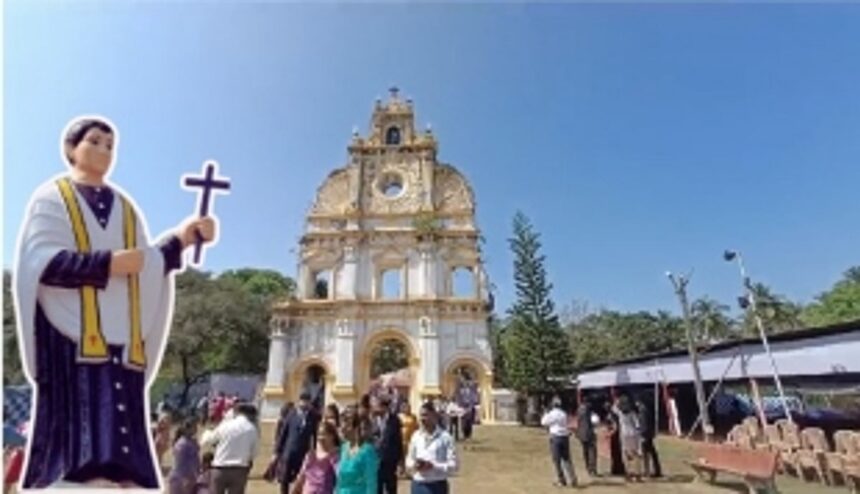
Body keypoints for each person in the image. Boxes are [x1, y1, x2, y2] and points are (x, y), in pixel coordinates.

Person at [13, 116, 216, 489]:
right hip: (68, 328)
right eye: (95, 141)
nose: (105, 151)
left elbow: (145, 264)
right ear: (72, 149)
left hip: (121, 332)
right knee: (79, 421)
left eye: (110, 145)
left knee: (120, 418)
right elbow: (40, 262)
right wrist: (108, 263)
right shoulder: (52, 197)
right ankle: (73, 470)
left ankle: (123, 473)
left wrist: (182, 240)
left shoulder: (125, 207)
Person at [201, 403, 260, 494]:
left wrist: (207, 432)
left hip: (220, 468)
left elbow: (210, 440)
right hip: (239, 470)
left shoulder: (226, 425)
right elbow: (254, 453)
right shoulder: (252, 429)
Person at [405, 401, 458, 494]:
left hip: (437, 485)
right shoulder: (416, 436)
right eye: (421, 415)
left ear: (434, 416)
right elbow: (409, 459)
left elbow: (454, 465)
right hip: (418, 484)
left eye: (425, 415)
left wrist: (434, 466)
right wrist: (415, 465)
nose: (422, 419)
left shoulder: (445, 438)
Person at [274, 393, 321, 494]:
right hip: (288, 452)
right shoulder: (291, 414)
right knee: (284, 479)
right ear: (299, 401)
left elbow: (315, 434)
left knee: (301, 478)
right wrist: (277, 451)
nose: (305, 403)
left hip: (303, 452)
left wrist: (315, 450)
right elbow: (283, 434)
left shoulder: (313, 416)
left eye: (307, 401)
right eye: (303, 400)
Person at [336, 405, 380, 494]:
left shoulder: (367, 451)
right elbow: (339, 481)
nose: (342, 429)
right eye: (341, 426)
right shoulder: (344, 448)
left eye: (347, 426)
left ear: (356, 428)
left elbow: (371, 484)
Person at [290, 422, 340, 494]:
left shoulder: (335, 457)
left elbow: (340, 480)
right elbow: (300, 479)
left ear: (332, 436)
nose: (320, 437)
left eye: (324, 434)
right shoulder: (310, 455)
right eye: (319, 434)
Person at [540, 397, 577, 488]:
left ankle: (561, 480)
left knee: (557, 460)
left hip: (555, 437)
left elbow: (544, 422)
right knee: (567, 459)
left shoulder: (552, 414)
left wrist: (545, 413)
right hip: (564, 437)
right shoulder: (563, 413)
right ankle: (572, 479)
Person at [372, 395, 403, 494]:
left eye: (377, 406)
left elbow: (398, 441)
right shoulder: (372, 420)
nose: (375, 408)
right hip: (375, 461)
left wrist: (400, 461)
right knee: (377, 488)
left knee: (391, 488)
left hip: (390, 460)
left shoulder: (395, 420)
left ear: (385, 407)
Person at [169, 419, 201, 494]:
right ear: (187, 429)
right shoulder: (184, 444)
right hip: (184, 479)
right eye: (194, 427)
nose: (196, 429)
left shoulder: (186, 442)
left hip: (181, 478)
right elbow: (187, 463)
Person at [616, 396, 643, 482]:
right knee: (636, 454)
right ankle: (637, 473)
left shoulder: (620, 413)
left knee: (626, 455)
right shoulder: (632, 413)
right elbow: (637, 425)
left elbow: (614, 407)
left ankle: (628, 473)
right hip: (633, 434)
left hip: (624, 435)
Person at [636, 399, 662, 478]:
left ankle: (647, 471)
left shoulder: (642, 412)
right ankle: (656, 470)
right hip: (649, 434)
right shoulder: (646, 411)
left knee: (645, 454)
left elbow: (644, 424)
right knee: (652, 453)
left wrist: (642, 434)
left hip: (645, 435)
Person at [575, 401, 598, 478]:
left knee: (585, 451)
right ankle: (593, 469)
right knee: (592, 451)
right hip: (590, 433)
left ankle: (588, 468)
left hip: (582, 434)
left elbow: (577, 422)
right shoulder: (591, 413)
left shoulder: (579, 411)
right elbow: (596, 422)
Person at [604, 400, 626, 476]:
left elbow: (615, 426)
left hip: (615, 436)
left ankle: (618, 470)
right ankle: (617, 469)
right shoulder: (612, 414)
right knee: (615, 453)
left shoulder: (612, 415)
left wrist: (610, 434)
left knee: (616, 453)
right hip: (615, 435)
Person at [398, 402, 419, 476]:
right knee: (401, 456)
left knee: (409, 455)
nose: (407, 409)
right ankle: (401, 469)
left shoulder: (413, 416)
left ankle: (408, 471)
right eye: (405, 407)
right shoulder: (399, 416)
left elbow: (417, 427)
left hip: (410, 439)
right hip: (401, 439)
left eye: (408, 407)